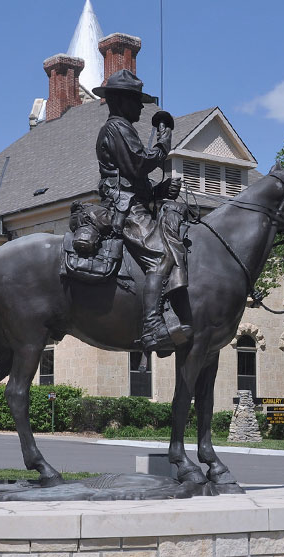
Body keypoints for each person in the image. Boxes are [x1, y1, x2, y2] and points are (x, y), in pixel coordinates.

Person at [92, 69, 190, 356]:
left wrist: (160, 192)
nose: (140, 108)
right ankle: (151, 326)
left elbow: (134, 177)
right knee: (162, 253)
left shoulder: (122, 128)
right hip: (126, 209)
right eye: (137, 102)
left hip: (132, 200)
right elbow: (139, 164)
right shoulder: (117, 128)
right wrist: (164, 140)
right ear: (122, 101)